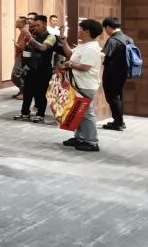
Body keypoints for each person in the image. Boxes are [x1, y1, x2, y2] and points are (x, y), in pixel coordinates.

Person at [59, 19, 104, 152]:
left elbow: (85, 67)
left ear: (87, 31)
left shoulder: (91, 48)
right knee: (79, 112)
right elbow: (71, 55)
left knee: (86, 113)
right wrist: (64, 43)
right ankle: (80, 137)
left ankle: (91, 141)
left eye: (80, 29)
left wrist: (69, 64)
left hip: (85, 85)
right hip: (78, 84)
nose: (78, 30)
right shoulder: (83, 45)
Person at [15, 13, 58, 123]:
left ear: (44, 24)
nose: (36, 28)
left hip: (43, 69)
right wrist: (24, 37)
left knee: (41, 93)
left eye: (38, 25)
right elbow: (22, 48)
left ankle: (40, 114)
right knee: (27, 91)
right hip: (30, 68)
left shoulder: (51, 37)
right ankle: (25, 113)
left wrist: (30, 38)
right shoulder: (33, 35)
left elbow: (43, 48)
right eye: (34, 26)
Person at [101, 17, 133, 131]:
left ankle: (118, 122)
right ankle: (119, 121)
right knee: (117, 96)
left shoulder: (112, 40)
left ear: (108, 27)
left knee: (112, 96)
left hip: (112, 72)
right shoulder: (128, 39)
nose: (105, 31)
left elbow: (103, 55)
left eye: (105, 29)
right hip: (123, 72)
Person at [12, 16, 29, 99]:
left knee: (16, 73)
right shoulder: (22, 30)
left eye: (17, 22)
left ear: (22, 23)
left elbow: (23, 47)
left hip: (23, 56)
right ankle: (23, 91)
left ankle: (24, 91)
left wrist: (16, 45)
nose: (16, 23)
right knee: (21, 74)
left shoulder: (25, 31)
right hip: (21, 55)